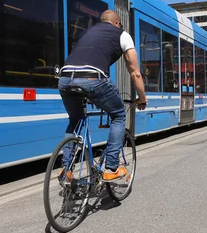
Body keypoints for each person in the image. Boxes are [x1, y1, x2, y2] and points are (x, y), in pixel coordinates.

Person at [59, 10, 147, 181]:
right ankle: (111, 167)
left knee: (75, 120)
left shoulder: (86, 32)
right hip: (93, 79)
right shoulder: (122, 34)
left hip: (64, 79)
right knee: (118, 115)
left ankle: (66, 168)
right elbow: (135, 72)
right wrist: (142, 97)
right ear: (117, 23)